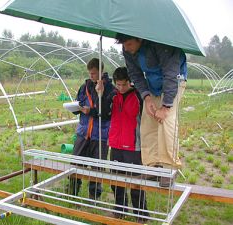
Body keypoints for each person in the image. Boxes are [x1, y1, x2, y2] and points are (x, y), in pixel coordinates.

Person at [115, 34, 187, 186]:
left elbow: (171, 75)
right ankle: (152, 167)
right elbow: (135, 74)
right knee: (148, 123)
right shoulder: (127, 49)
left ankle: (169, 169)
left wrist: (166, 106)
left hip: (174, 81)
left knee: (165, 120)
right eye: (124, 45)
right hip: (153, 85)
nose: (126, 48)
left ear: (139, 39)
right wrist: (146, 98)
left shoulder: (163, 44)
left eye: (129, 44)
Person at [100, 67, 149, 222]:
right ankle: (120, 210)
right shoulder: (112, 95)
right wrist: (100, 95)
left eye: (124, 84)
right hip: (115, 144)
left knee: (135, 182)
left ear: (130, 82)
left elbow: (146, 121)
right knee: (116, 181)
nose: (121, 88)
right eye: (118, 85)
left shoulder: (138, 97)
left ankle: (141, 214)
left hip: (133, 146)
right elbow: (102, 112)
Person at [69, 58, 114, 199]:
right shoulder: (84, 87)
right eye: (90, 73)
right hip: (83, 132)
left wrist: (92, 109)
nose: (91, 76)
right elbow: (79, 102)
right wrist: (76, 109)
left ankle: (94, 197)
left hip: (100, 134)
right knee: (75, 164)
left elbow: (108, 113)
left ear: (101, 72)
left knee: (97, 168)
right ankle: (72, 193)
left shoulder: (110, 89)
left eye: (94, 73)